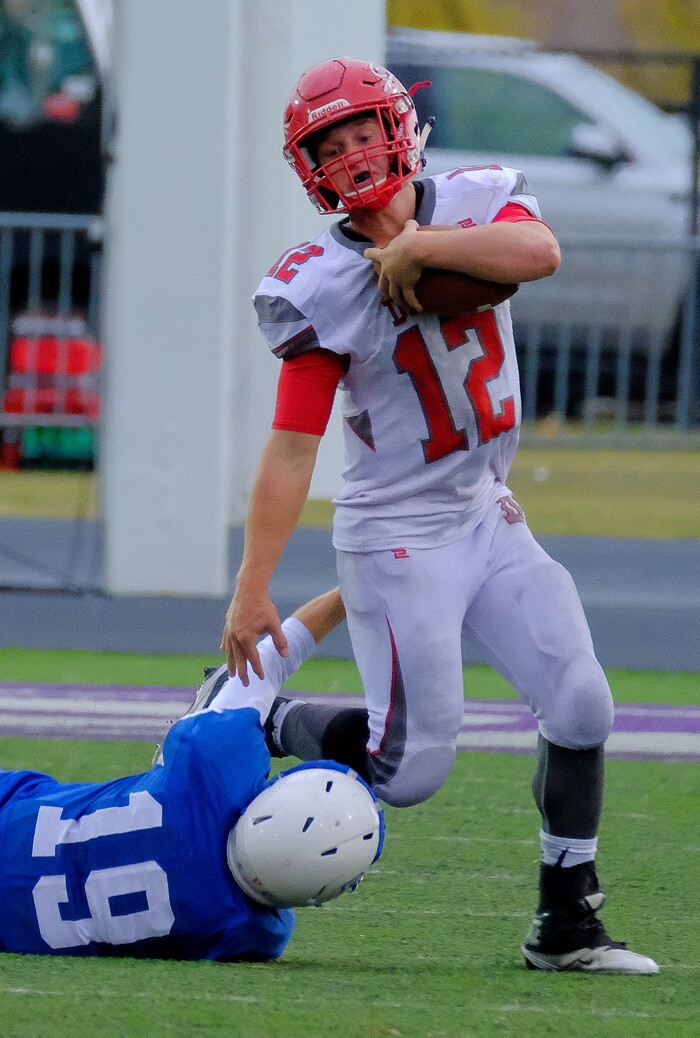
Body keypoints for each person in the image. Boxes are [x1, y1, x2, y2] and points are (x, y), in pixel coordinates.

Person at [220, 57, 658, 974]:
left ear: (399, 124)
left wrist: (420, 248)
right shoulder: (321, 280)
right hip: (397, 535)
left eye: (360, 131)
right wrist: (252, 586)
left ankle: (566, 921)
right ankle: (259, 717)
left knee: (582, 703)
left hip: (487, 511)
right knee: (408, 772)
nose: (349, 155)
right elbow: (294, 445)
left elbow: (538, 253)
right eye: (327, 146)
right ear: (309, 168)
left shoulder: (473, 195)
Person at [0, 590, 383, 960]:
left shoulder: (210, 770)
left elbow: (269, 659)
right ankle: (268, 721)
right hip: (12, 927)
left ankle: (270, 720)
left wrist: (348, 591)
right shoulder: (251, 935)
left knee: (224, 710)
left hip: (11, 813)